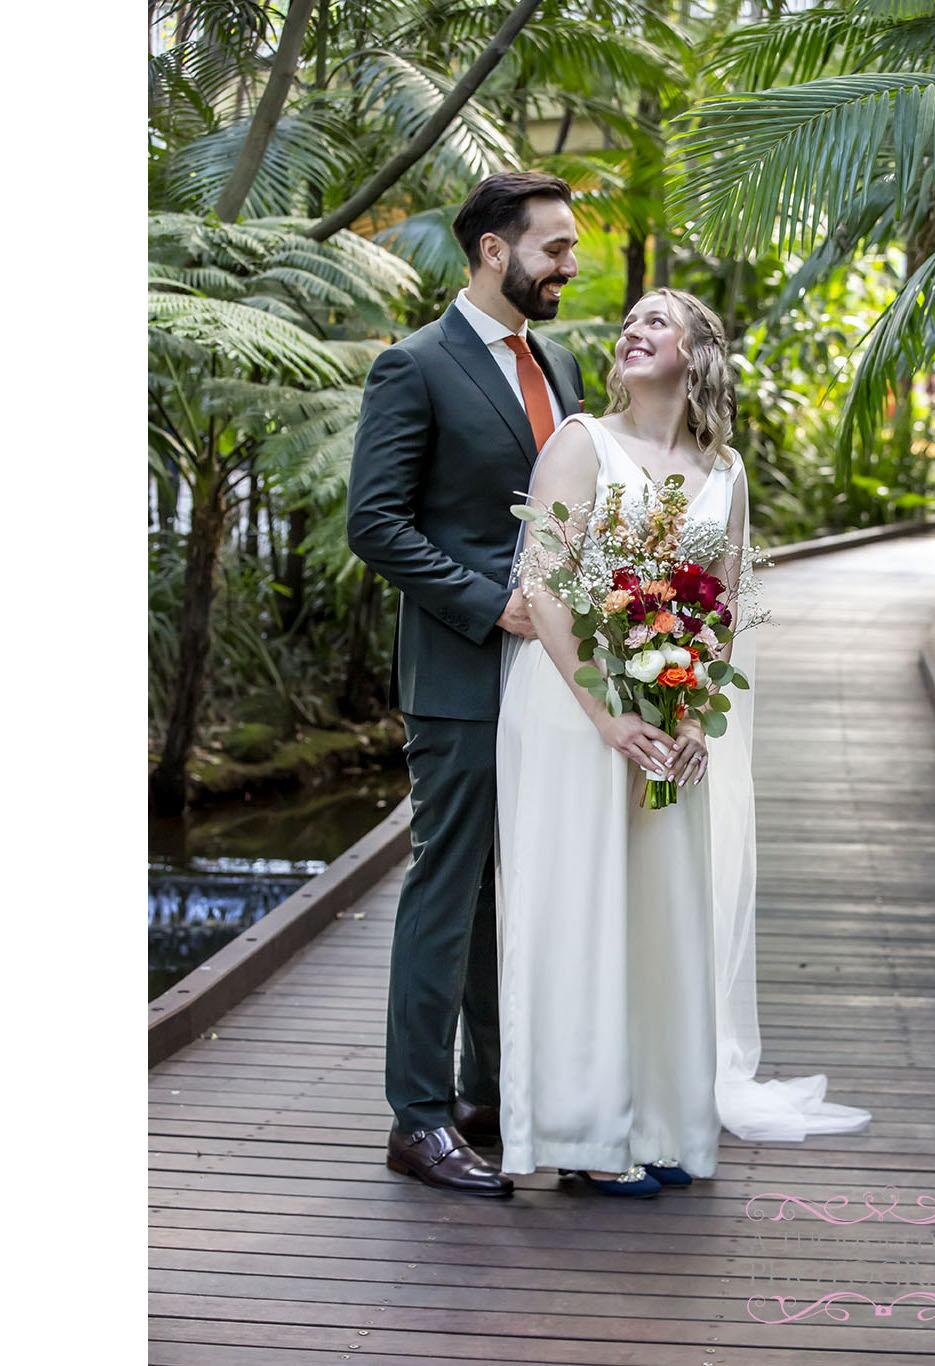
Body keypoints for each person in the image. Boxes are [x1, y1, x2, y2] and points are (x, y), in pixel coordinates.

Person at [495, 289, 872, 1198]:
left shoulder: (725, 471)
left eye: (657, 321)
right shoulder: (582, 443)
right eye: (630, 322)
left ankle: (660, 1122)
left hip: (669, 711)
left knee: (663, 918)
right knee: (582, 909)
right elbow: (544, 587)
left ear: (699, 351)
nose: (634, 330)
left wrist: (694, 718)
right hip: (576, 711)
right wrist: (606, 715)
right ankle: (586, 1134)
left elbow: (724, 605)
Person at [347, 171, 584, 1196]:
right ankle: (418, 1118)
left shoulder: (560, 363)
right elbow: (376, 523)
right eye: (554, 247)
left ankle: (491, 1094)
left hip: (555, 682)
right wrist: (492, 604)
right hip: (459, 674)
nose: (568, 265)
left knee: (515, 889)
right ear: (494, 250)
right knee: (446, 892)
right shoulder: (414, 366)